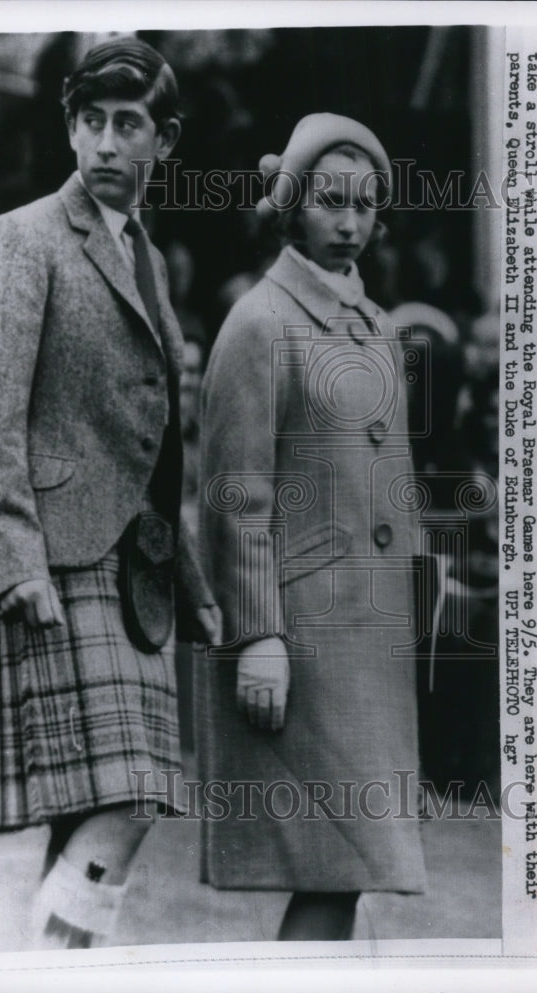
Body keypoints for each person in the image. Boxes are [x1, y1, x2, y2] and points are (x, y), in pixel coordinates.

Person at [0, 37, 219, 950]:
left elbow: (155, 448)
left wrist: (190, 581)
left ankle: (57, 965)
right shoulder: (19, 239)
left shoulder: (153, 261)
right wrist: (12, 558)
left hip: (134, 578)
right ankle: (54, 962)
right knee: (134, 797)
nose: (105, 143)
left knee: (96, 814)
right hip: (52, 565)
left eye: (128, 125)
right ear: (70, 129)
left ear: (163, 140)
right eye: (90, 122)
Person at [197, 114, 427, 940]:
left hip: (369, 643)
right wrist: (258, 633)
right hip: (309, 640)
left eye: (365, 205)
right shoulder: (260, 323)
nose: (350, 222)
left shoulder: (376, 325)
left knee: (349, 876)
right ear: (292, 207)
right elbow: (233, 493)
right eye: (331, 201)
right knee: (336, 868)